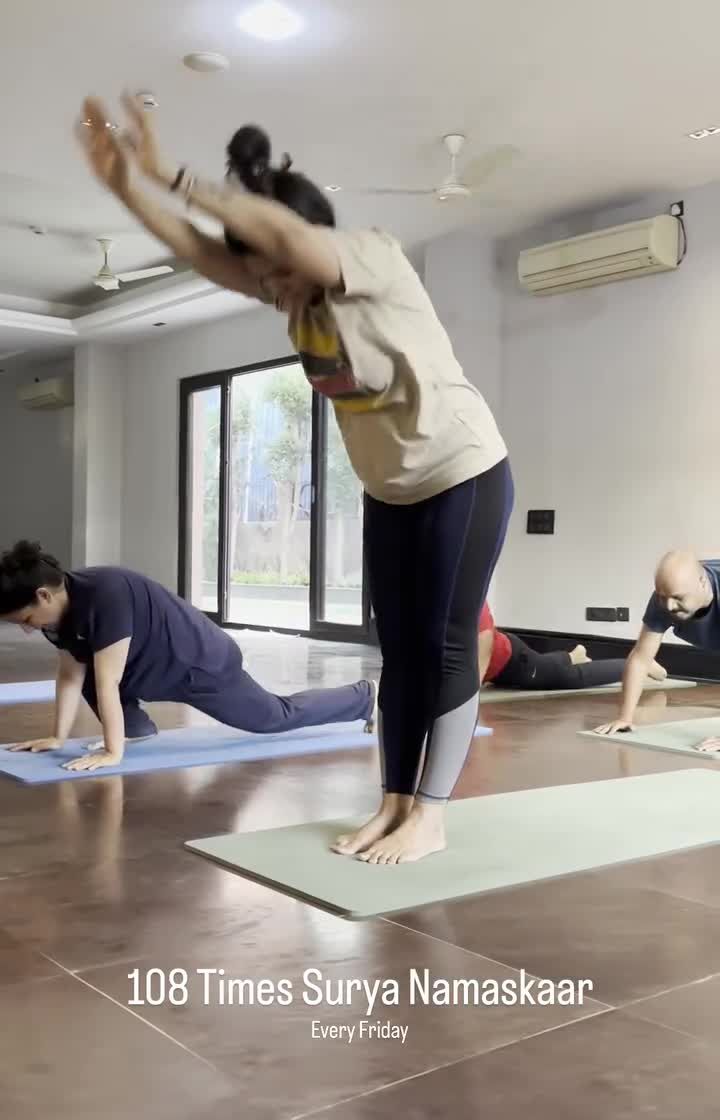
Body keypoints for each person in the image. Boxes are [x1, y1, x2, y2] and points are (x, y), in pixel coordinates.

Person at [76, 95, 514, 862]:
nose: (270, 289)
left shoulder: (372, 258)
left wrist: (168, 172)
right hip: (390, 490)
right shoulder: (294, 297)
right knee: (398, 650)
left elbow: (285, 239)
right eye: (262, 279)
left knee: (446, 645)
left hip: (462, 471)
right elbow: (202, 251)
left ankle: (432, 816)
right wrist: (124, 188)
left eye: (275, 273)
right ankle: (393, 805)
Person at [0, 541, 376, 772]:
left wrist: (112, 753)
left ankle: (364, 697)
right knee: (88, 672)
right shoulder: (60, 615)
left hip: (200, 663)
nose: (29, 629)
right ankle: (135, 729)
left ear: (44, 595)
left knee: (272, 718)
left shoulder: (105, 595)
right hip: (151, 665)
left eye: (27, 620)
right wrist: (57, 737)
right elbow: (71, 675)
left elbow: (108, 682)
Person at [594, 550, 714, 747]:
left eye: (678, 597)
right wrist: (625, 717)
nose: (669, 606)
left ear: (702, 582)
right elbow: (641, 659)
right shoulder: (662, 601)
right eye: (663, 596)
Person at [478, 602, 667, 692]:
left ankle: (639, 666)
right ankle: (573, 656)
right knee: (544, 665)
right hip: (498, 670)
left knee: (566, 677)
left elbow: (484, 643)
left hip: (511, 659)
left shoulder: (470, 591)